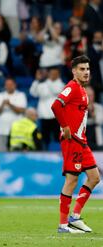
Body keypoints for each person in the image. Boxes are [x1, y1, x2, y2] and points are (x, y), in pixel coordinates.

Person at [51, 55, 100, 234]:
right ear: (74, 71)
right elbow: (56, 106)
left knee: (94, 177)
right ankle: (63, 225)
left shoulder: (81, 90)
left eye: (87, 69)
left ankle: (75, 216)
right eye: (82, 69)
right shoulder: (71, 87)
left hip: (82, 142)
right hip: (72, 141)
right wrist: (65, 126)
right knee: (71, 180)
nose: (86, 72)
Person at [30, 67, 65, 149]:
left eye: (54, 73)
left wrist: (47, 80)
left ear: (58, 74)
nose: (52, 75)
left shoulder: (61, 84)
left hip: (56, 116)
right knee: (45, 139)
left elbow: (55, 90)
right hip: (44, 116)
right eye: (51, 73)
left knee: (58, 138)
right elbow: (33, 93)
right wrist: (37, 80)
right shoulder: (42, 84)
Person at [0, 78, 27, 151]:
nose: (8, 86)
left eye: (10, 84)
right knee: (1, 155)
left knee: (15, 155)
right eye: (7, 85)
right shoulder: (0, 95)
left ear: (15, 85)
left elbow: (21, 110)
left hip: (16, 132)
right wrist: (2, 105)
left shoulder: (20, 95)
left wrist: (10, 104)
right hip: (1, 131)